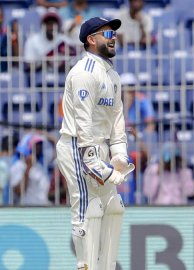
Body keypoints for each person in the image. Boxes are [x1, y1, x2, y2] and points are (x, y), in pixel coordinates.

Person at [55, 17, 135, 270]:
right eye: (108, 33)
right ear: (91, 39)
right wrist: (92, 160)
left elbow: (117, 120)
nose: (114, 37)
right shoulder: (83, 72)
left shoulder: (112, 75)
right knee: (87, 208)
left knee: (113, 208)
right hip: (77, 146)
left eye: (114, 33)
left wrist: (119, 155)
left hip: (100, 146)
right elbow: (82, 121)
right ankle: (85, 266)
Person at [9, 132, 53, 205]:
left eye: (40, 145)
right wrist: (28, 169)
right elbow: (18, 191)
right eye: (35, 145)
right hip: (26, 210)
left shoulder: (40, 167)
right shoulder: (18, 166)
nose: (38, 148)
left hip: (42, 209)